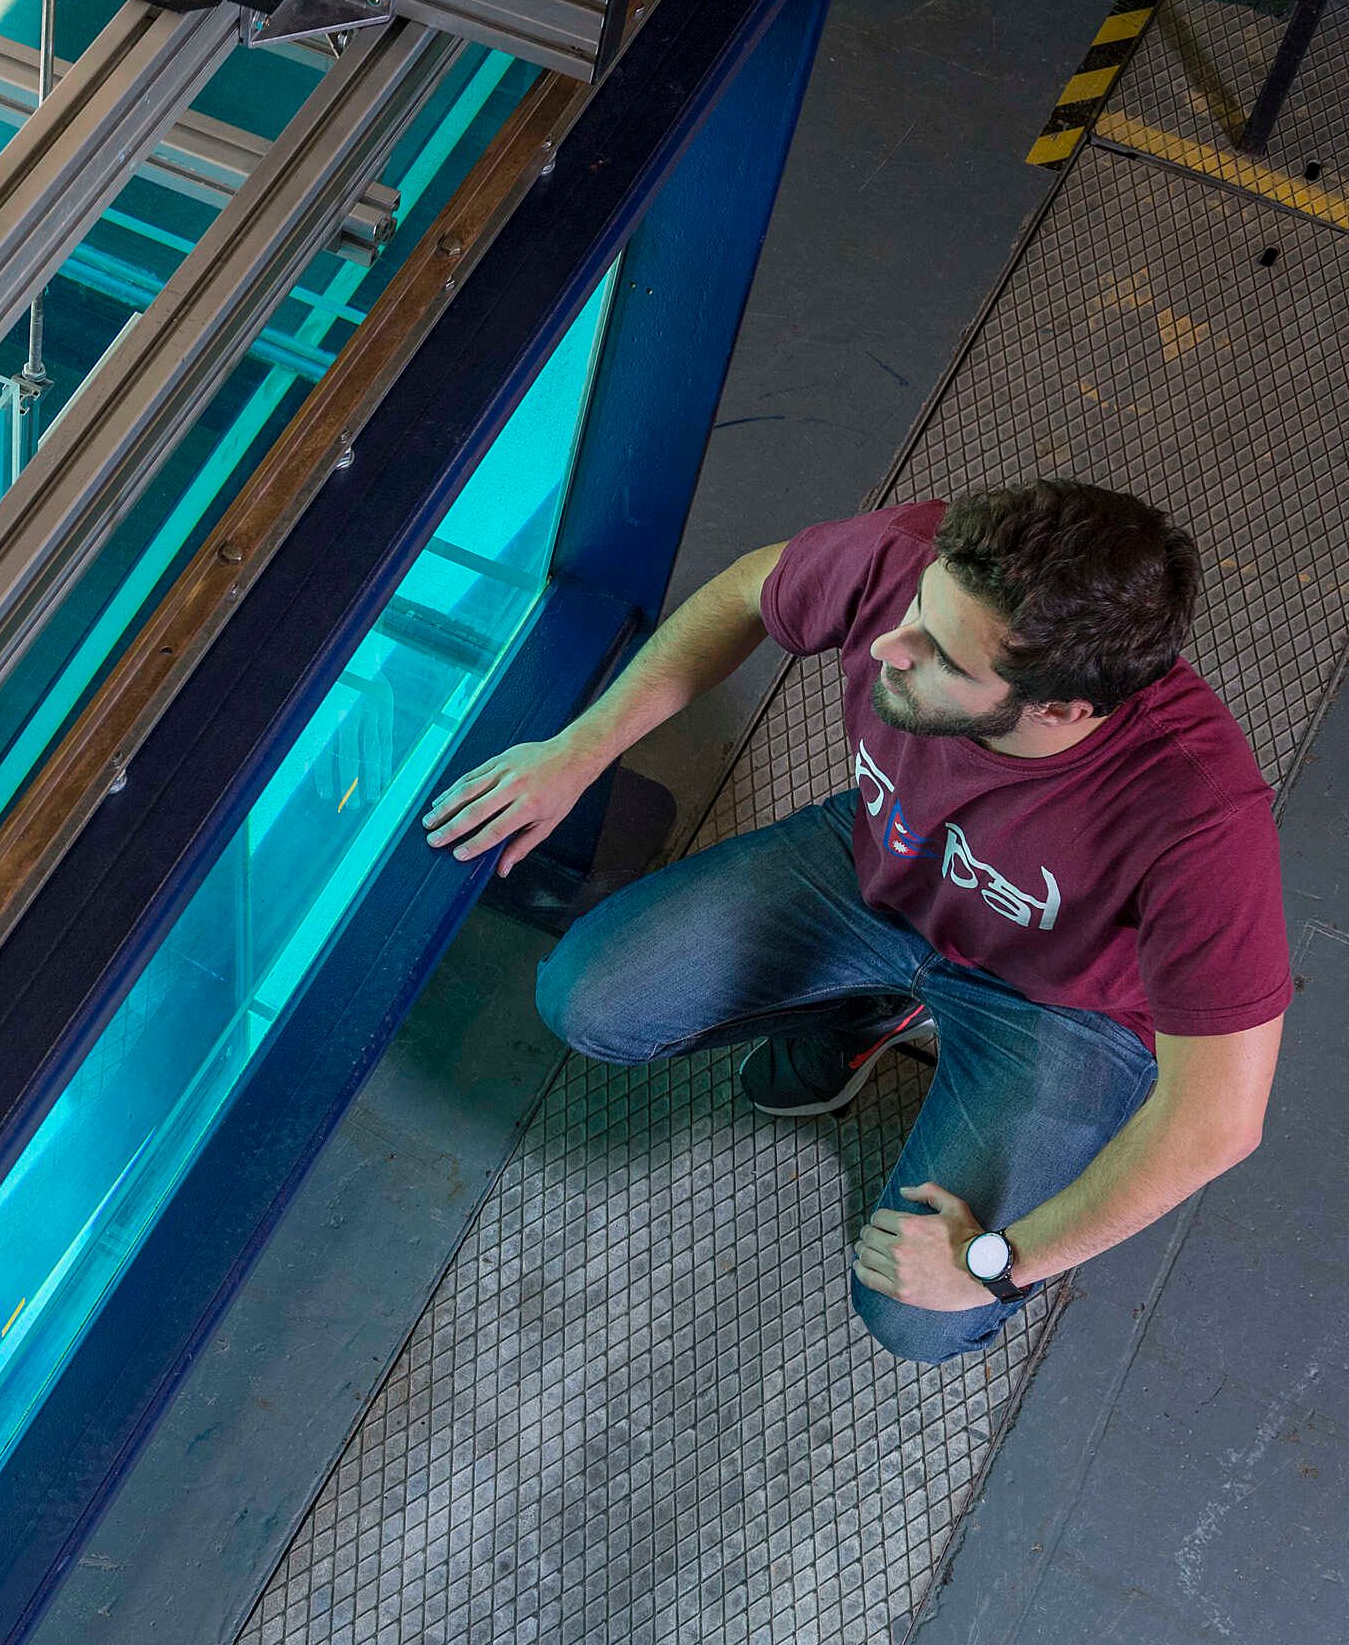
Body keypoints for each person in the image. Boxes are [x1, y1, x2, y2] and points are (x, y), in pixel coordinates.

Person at [421, 481, 1286, 1364]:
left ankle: (901, 1023)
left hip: (1058, 1005)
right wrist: (580, 750)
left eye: (942, 655)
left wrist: (997, 1263)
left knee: (922, 1318)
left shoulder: (1197, 816)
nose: (889, 645)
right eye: (919, 606)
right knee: (591, 1002)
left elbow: (1216, 1119)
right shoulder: (916, 557)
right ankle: (870, 1013)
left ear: (1059, 711)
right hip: (884, 868)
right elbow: (749, 590)